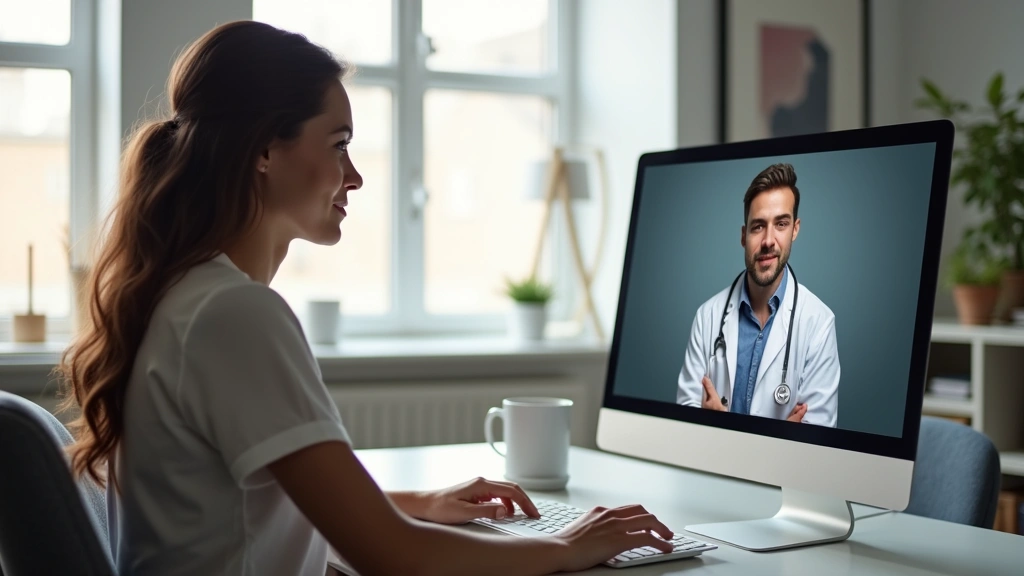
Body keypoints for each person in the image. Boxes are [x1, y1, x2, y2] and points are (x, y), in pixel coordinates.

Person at [57, 20, 675, 576]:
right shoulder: (233, 314)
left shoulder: (184, 297)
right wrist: (567, 547)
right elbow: (393, 555)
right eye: (338, 144)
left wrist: (419, 504)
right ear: (265, 151)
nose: (353, 175)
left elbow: (261, 500)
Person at [675, 163, 840, 427]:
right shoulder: (708, 316)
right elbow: (685, 414)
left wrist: (717, 427)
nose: (768, 240)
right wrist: (783, 437)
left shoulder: (818, 323)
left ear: (795, 229)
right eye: (758, 226)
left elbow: (816, 440)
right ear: (744, 235)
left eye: (781, 224)